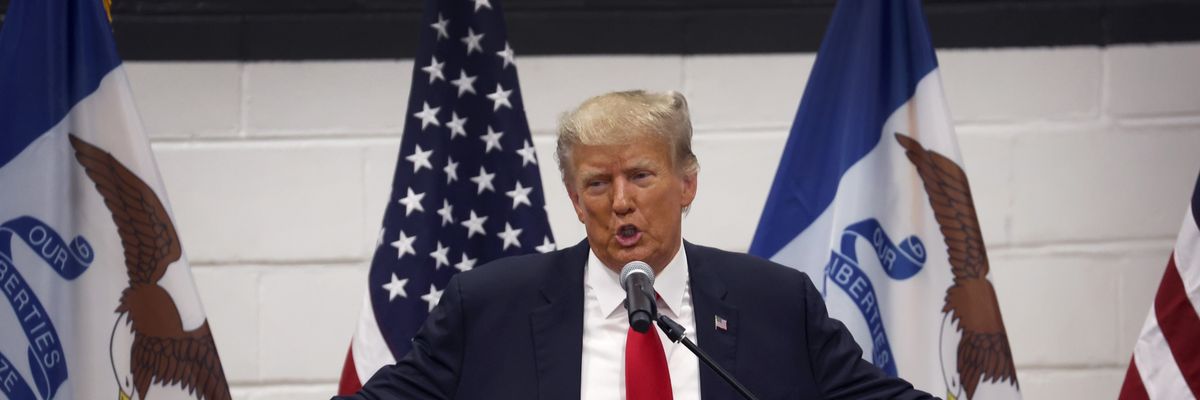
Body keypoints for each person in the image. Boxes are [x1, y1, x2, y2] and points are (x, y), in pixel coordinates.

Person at [335, 91, 935, 400]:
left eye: (641, 177)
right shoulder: (489, 308)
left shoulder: (775, 303)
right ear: (576, 200)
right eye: (598, 183)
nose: (620, 201)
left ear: (686, 184)